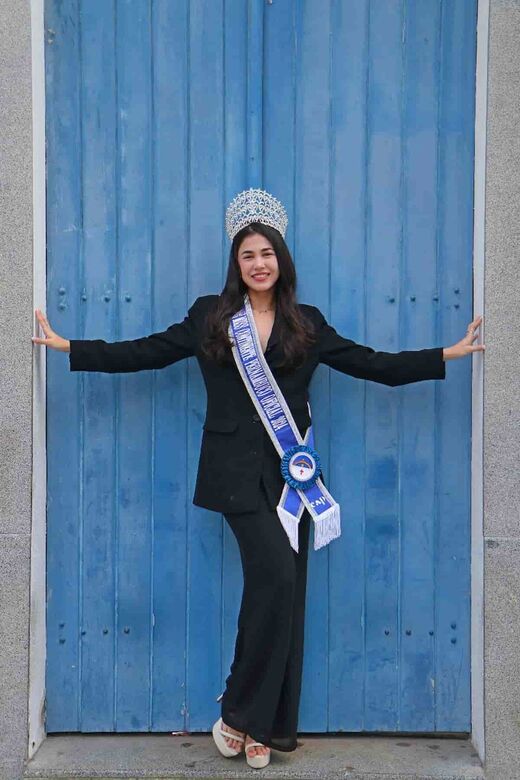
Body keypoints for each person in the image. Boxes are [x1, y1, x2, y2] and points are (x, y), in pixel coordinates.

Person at [32, 188, 484, 770]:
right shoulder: (211, 317)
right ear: (236, 263)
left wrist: (445, 354)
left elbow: (374, 364)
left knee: (285, 596)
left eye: (267, 252)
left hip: (291, 481)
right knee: (274, 579)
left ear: (282, 258)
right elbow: (145, 351)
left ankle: (268, 729)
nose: (259, 263)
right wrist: (70, 346)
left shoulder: (308, 325)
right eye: (248, 254)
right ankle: (239, 714)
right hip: (234, 477)